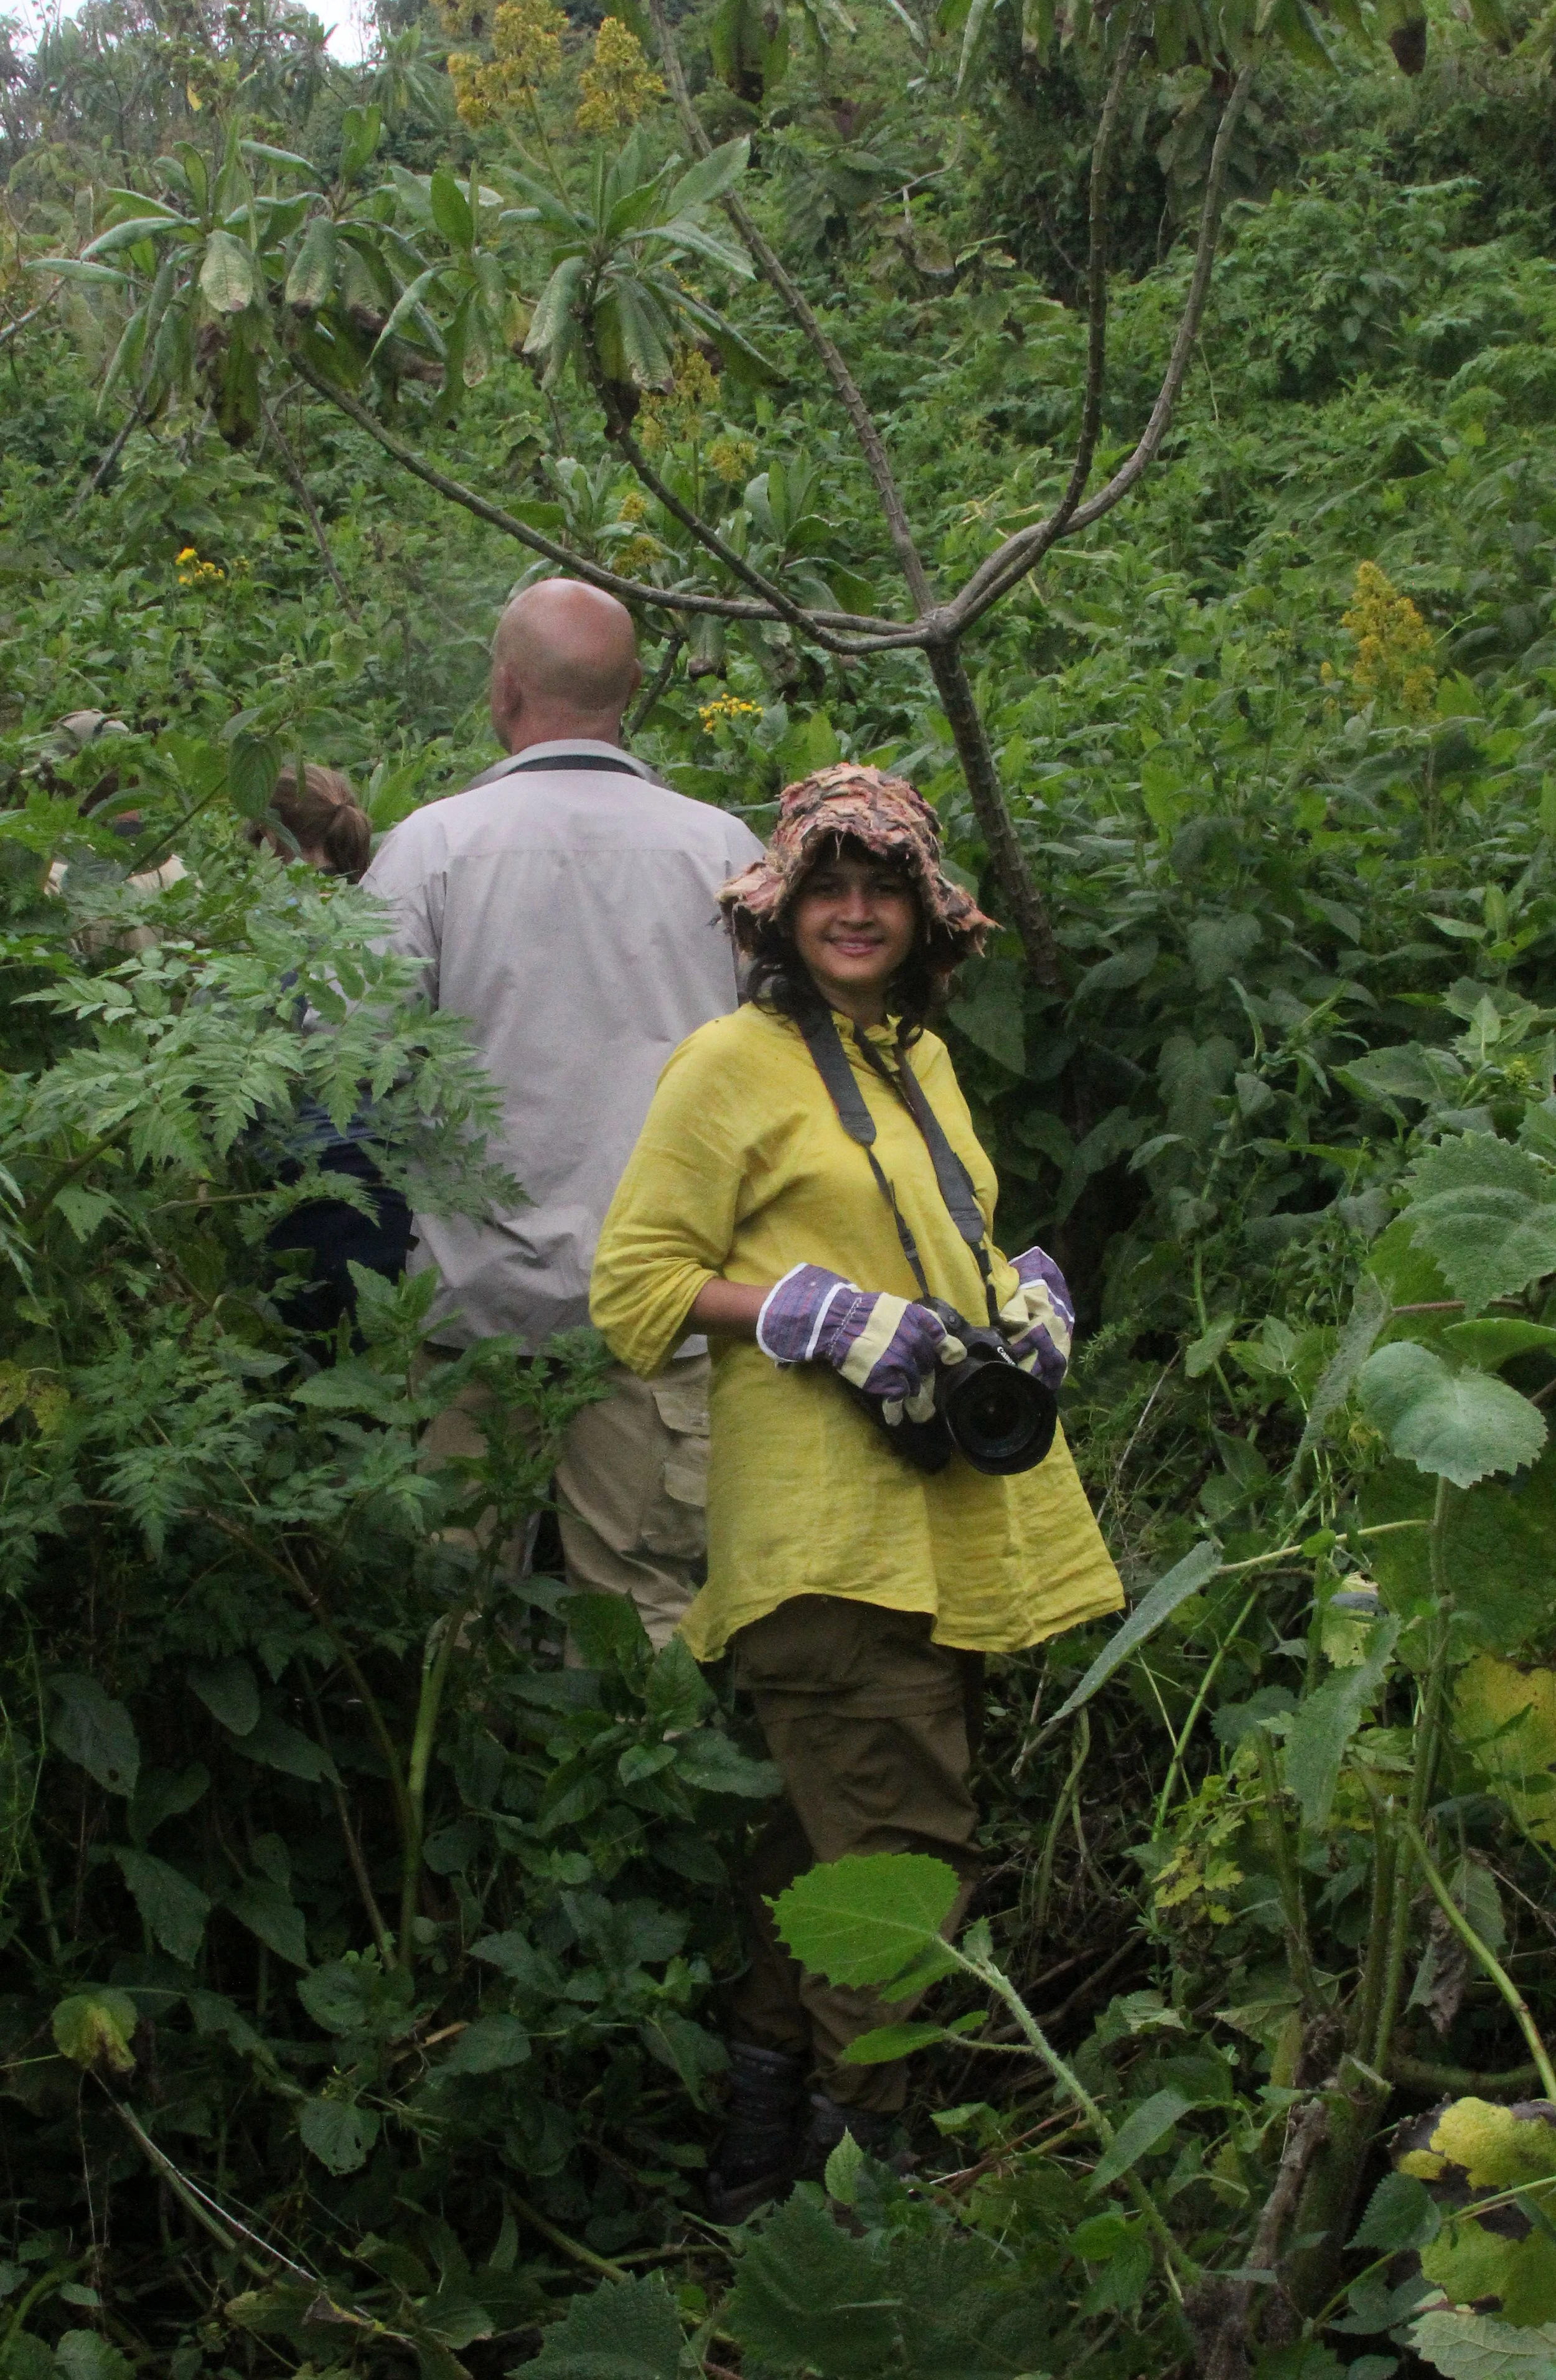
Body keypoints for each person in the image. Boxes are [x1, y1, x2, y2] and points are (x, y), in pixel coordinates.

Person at [590, 762, 1123, 2217]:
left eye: (882, 884)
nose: (854, 908)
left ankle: (754, 2185)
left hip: (929, 1521)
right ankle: (859, 2212)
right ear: (779, 908)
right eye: (826, 883)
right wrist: (802, 1312)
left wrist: (1015, 1289)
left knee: (824, 1857)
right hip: (825, 1542)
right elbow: (630, 1289)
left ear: (923, 914)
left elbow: (935, 1238)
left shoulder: (913, 1054)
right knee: (905, 1871)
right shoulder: (729, 1062)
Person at [362, 577, 765, 1648]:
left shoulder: (431, 848)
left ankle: (459, 1804)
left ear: (502, 690)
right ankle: (647, 1806)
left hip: (466, 1308)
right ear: (633, 690)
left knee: (455, 1619)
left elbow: (352, 1061)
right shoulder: (724, 850)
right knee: (644, 1614)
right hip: (664, 1309)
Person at [248, 766, 414, 1341]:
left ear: (270, 838)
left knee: (313, 1364)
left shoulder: (260, 923)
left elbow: (216, 1060)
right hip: (404, 1171)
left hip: (307, 1175)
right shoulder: (390, 908)